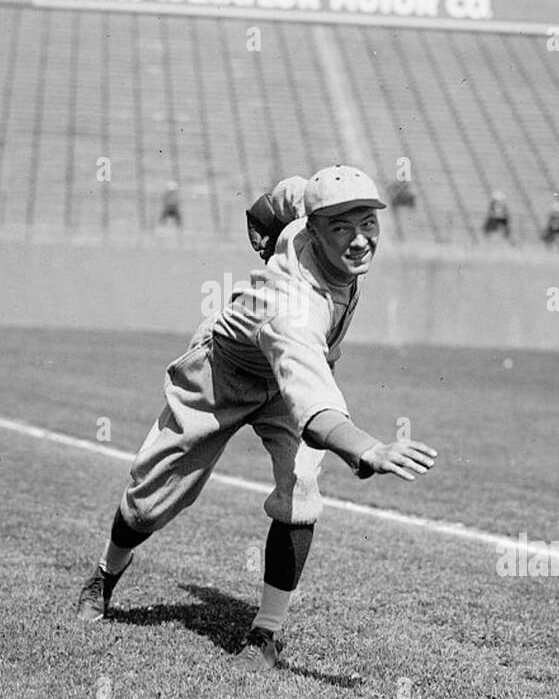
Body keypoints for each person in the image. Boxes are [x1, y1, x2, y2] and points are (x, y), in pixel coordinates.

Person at [77, 165, 438, 672]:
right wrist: (366, 449)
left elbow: (284, 198)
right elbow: (313, 409)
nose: (359, 240)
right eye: (341, 228)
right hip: (226, 370)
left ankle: (264, 634)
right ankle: (106, 573)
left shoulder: (304, 213)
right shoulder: (294, 309)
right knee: (151, 498)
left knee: (302, 492)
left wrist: (262, 215)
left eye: (368, 224)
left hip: (288, 377)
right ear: (314, 231)